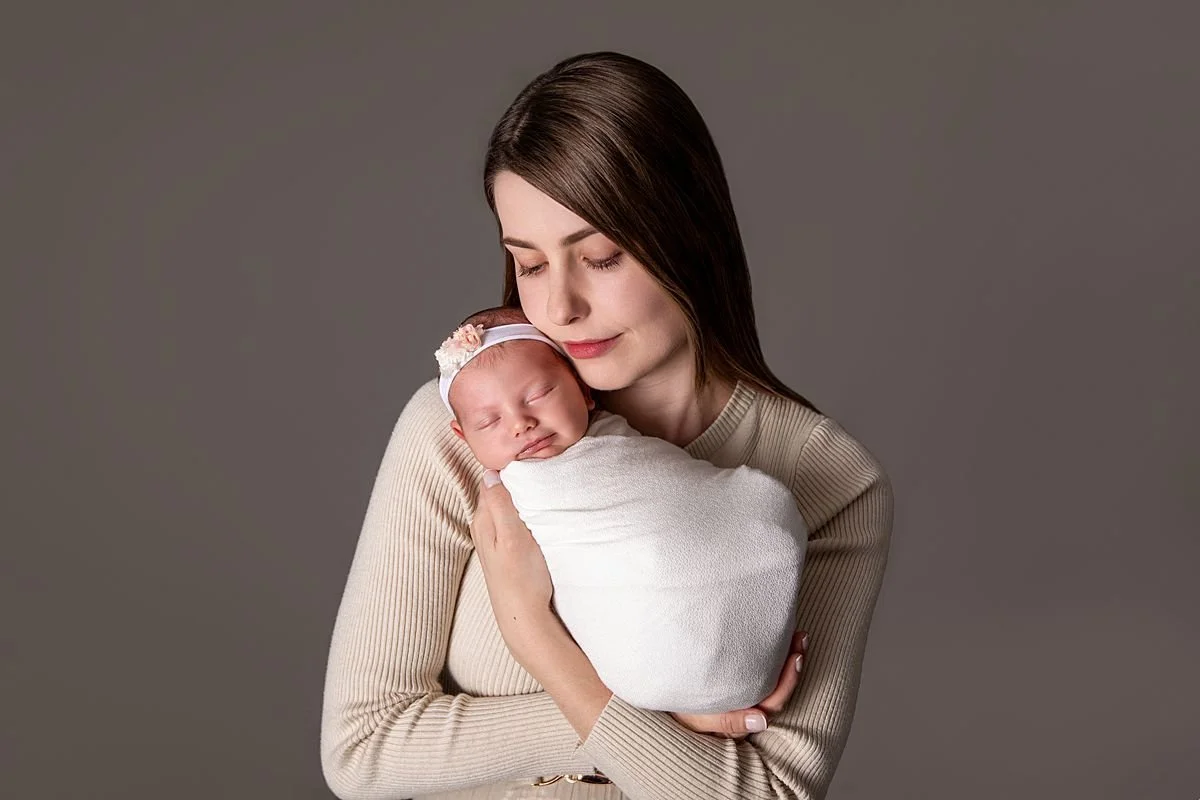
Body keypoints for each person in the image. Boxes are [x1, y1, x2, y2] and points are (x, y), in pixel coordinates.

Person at [321, 50, 893, 800]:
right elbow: (363, 749)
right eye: (528, 264)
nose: (559, 309)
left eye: (600, 256)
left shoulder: (828, 481)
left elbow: (767, 793)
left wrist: (539, 642)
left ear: (686, 236)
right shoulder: (465, 430)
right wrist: (661, 725)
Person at [434, 305, 808, 716]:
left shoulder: (615, 436)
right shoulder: (514, 487)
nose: (521, 424)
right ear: (463, 435)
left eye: (538, 395)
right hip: (644, 671)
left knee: (761, 510)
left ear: (583, 390)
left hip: (734, 611)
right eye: (488, 422)